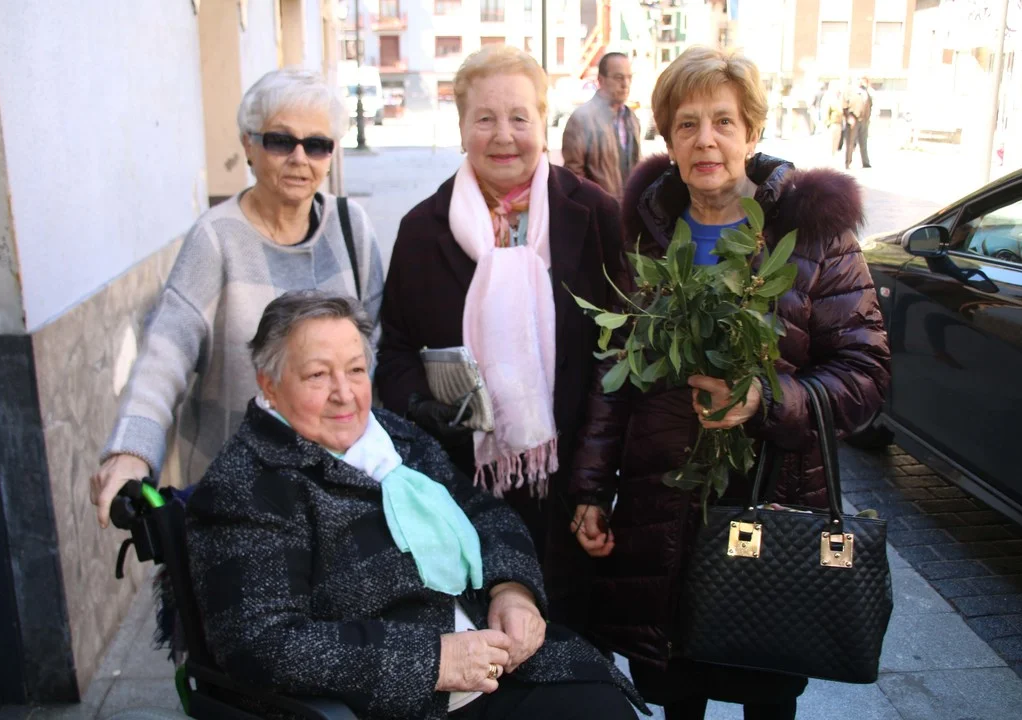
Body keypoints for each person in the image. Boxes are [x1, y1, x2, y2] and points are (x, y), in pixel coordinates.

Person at [568, 47, 890, 720]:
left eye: (723, 121)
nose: (705, 140)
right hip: (661, 515)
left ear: (752, 132)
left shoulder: (814, 236)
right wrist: (592, 490)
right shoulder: (647, 235)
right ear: (667, 138)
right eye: (686, 124)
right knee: (676, 690)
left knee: (764, 690)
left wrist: (765, 400)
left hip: (771, 510)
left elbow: (865, 376)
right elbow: (614, 375)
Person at [185, 291, 647, 720]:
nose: (344, 393)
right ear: (268, 384)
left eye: (355, 370)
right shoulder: (247, 484)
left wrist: (512, 589)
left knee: (603, 707)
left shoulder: (392, 436)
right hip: (397, 703)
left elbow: (485, 513)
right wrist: (433, 661)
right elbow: (262, 643)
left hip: (493, 662)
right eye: (317, 375)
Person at [374, 45, 628, 632]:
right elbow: (395, 351)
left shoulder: (594, 217)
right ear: (461, 126)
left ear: (543, 121)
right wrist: (422, 406)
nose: (504, 136)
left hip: (573, 494)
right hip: (464, 494)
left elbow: (622, 356)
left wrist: (596, 485)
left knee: (573, 652)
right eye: (485, 118)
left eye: (519, 117)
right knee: (484, 658)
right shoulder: (421, 231)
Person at [90, 68, 384, 528]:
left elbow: (375, 346)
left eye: (317, 145)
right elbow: (165, 352)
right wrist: (132, 452)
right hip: (239, 496)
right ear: (248, 144)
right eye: (280, 141)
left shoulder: (351, 227)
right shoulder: (217, 238)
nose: (300, 158)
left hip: (339, 484)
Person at [561, 51, 641, 200]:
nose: (625, 84)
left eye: (629, 77)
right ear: (601, 80)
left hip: (628, 207)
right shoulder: (581, 119)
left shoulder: (631, 118)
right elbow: (573, 176)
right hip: (599, 209)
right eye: (619, 77)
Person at [845, 76, 873, 169]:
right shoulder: (850, 91)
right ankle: (848, 162)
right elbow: (844, 105)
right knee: (851, 142)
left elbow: (870, 104)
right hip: (854, 119)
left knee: (863, 142)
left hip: (864, 120)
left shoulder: (866, 92)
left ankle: (865, 162)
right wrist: (848, 117)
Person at [820, 83, 845, 157]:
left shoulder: (839, 99)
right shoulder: (829, 99)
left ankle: (834, 155)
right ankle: (830, 156)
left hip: (839, 123)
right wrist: (827, 123)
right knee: (830, 142)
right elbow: (825, 111)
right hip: (832, 123)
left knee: (836, 141)